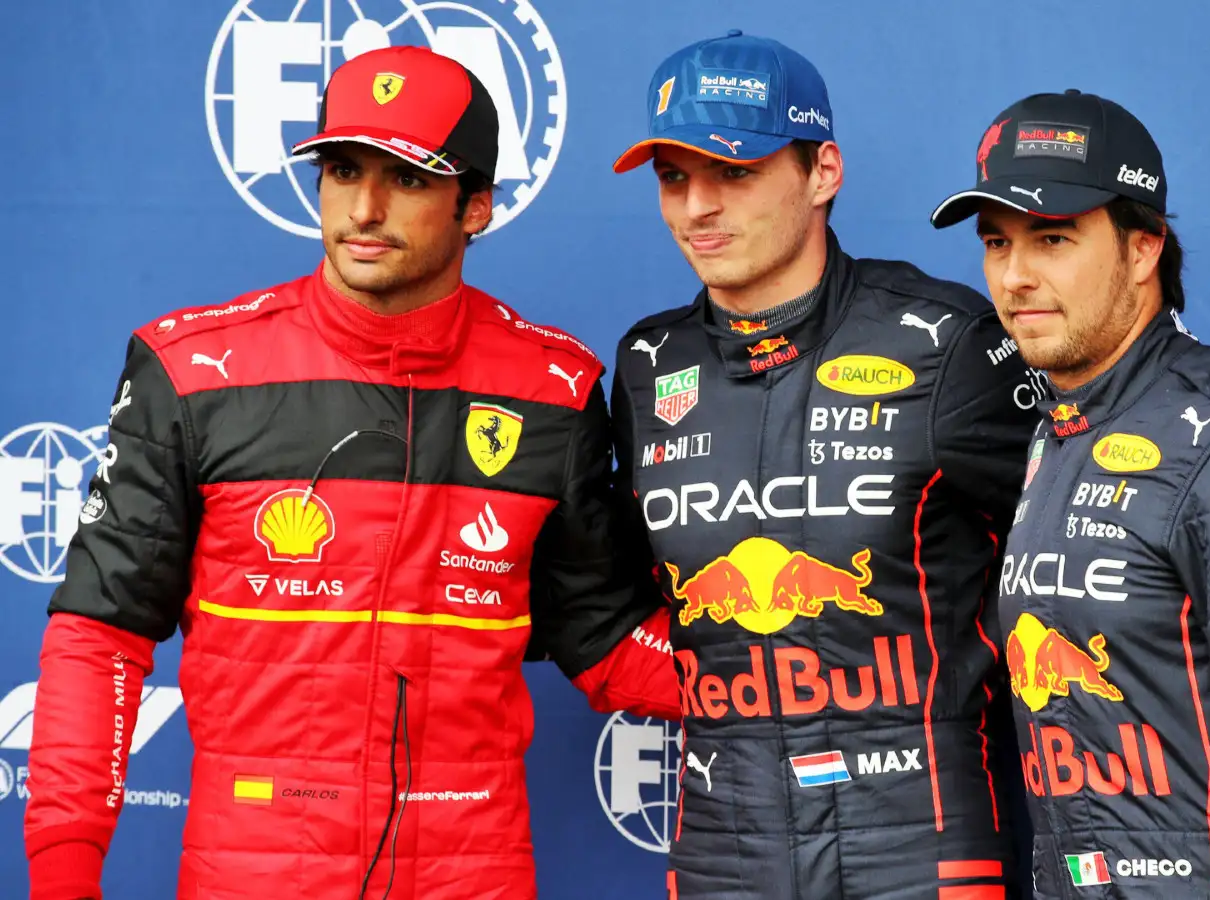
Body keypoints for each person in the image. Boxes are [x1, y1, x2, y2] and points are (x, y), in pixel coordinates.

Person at [23, 46, 676, 900]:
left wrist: (803, 663)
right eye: (341, 170)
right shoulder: (192, 372)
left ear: (474, 205)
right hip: (251, 871)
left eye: (407, 179)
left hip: (471, 872)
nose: (364, 209)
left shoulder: (550, 391)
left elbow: (606, 637)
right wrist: (64, 870)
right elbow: (98, 637)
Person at [607, 29, 1041, 900]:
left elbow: (1064, 557)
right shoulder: (651, 362)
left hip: (920, 837)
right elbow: (614, 585)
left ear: (822, 173)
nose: (697, 207)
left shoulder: (946, 342)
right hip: (724, 844)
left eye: (734, 173)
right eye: (674, 178)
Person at [929, 89, 1210, 899]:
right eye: (997, 244)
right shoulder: (1060, 425)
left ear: (1144, 250)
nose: (1016, 276)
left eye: (1054, 239)